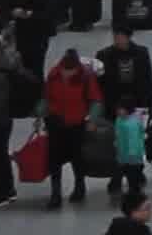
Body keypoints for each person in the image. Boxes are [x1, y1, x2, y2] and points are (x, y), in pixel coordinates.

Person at [42, 47, 104, 209]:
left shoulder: (86, 76)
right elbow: (46, 97)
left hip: (76, 124)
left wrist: (92, 119)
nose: (67, 74)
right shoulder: (53, 74)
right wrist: (40, 114)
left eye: (71, 71)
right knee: (54, 159)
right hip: (55, 122)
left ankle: (79, 187)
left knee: (77, 158)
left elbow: (95, 100)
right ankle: (55, 194)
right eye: (65, 70)